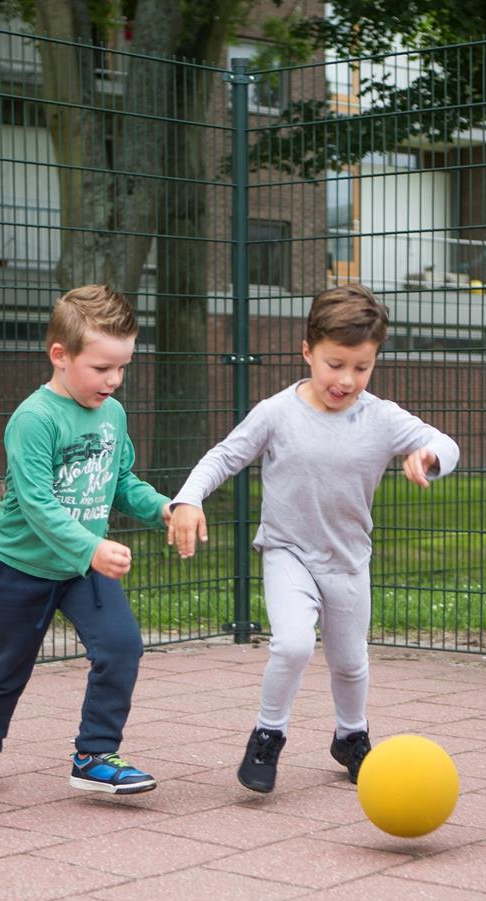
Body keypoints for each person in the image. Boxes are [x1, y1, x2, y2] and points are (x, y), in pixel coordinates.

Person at [166, 285, 459, 794]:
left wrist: (430, 457)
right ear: (307, 351)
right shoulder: (277, 412)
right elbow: (223, 457)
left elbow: (446, 444)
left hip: (347, 561)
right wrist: (188, 499)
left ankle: (351, 735)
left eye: (361, 367)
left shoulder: (382, 418)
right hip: (288, 552)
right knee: (294, 644)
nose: (346, 380)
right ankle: (268, 735)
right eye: (334, 364)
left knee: (350, 662)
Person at [0, 285, 171, 798]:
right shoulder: (34, 419)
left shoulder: (111, 414)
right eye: (101, 368)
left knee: (121, 647)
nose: (114, 381)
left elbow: (122, 481)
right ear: (60, 356)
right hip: (20, 567)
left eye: (123, 367)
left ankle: (95, 755)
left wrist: (163, 507)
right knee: (4, 668)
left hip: (81, 570)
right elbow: (36, 504)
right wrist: (92, 547)